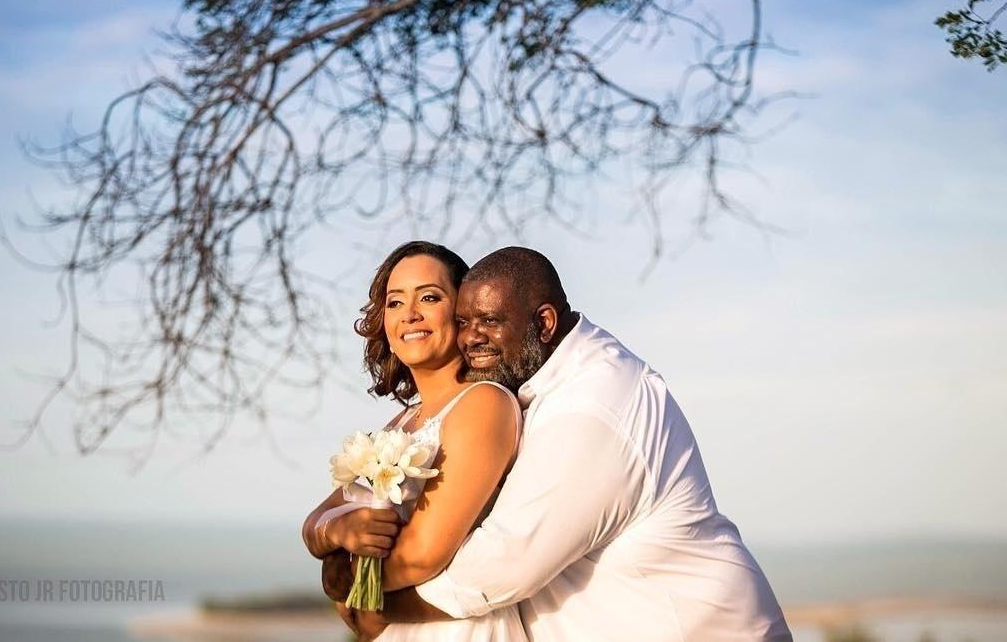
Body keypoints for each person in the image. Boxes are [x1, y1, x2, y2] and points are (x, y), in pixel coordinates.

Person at [324, 246, 792, 641]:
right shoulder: (531, 385)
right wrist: (331, 541)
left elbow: (505, 563)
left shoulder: (594, 403)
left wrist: (369, 596)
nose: (470, 338)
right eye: (465, 321)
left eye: (488, 321)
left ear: (545, 323)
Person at [301, 241, 529, 641]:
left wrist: (343, 581)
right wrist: (340, 533)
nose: (409, 314)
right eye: (394, 302)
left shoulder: (483, 403)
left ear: (462, 313)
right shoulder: (401, 422)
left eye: (429, 297)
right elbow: (314, 524)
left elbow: (423, 555)